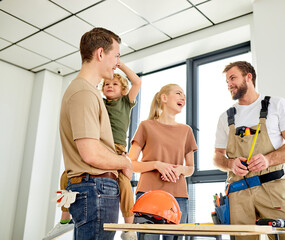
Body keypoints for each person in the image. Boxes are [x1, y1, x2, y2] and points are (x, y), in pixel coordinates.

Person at [213, 61, 285, 240]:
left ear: (249, 77)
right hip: (238, 193)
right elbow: (217, 156)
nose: (229, 84)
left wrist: (269, 160)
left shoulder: (275, 105)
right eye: (227, 82)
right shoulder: (225, 117)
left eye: (233, 78)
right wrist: (230, 163)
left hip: (272, 188)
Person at [58, 27, 132, 240]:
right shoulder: (83, 92)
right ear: (100, 54)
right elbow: (90, 153)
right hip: (96, 188)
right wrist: (125, 163)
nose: (117, 62)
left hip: (93, 188)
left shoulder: (87, 92)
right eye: (116, 56)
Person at [129, 84, 198, 240]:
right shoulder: (145, 126)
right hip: (148, 195)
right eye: (178, 93)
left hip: (178, 197)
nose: (183, 98)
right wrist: (156, 165)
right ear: (164, 98)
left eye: (184, 96)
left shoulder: (186, 131)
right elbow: (130, 163)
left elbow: (190, 168)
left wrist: (180, 170)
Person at [102, 65, 141, 240]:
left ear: (123, 90)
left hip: (118, 149)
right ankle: (65, 220)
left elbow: (137, 82)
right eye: (106, 84)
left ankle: (128, 227)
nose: (110, 86)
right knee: (68, 174)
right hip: (100, 146)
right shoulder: (100, 102)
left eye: (115, 84)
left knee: (124, 183)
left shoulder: (125, 102)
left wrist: (119, 65)